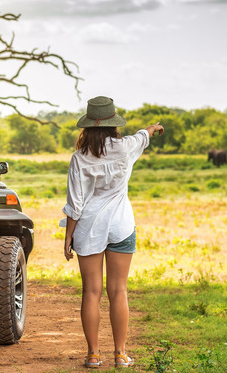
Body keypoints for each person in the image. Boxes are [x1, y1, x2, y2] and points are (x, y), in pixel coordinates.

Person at [62, 96, 164, 369]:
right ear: (113, 125)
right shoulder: (126, 147)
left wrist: (68, 237)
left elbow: (75, 204)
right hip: (121, 225)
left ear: (87, 127)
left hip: (88, 228)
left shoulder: (79, 158)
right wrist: (152, 128)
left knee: (91, 292)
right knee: (118, 290)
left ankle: (93, 355)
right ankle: (120, 354)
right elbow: (142, 137)